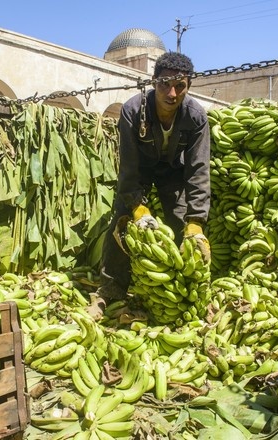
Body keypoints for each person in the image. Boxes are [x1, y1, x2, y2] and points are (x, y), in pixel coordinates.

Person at [88, 52, 211, 319]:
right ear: (154, 81)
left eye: (180, 86)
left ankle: (183, 294)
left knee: (180, 223)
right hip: (140, 169)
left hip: (173, 172)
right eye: (165, 84)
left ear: (188, 87)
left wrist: (197, 219)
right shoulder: (133, 110)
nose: (172, 93)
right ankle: (109, 291)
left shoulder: (196, 116)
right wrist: (136, 206)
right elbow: (128, 165)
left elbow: (198, 169)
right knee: (121, 221)